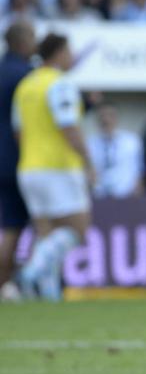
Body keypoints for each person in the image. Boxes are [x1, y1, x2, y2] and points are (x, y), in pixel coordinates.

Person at [12, 34, 94, 301]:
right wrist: (86, 161)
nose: (72, 57)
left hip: (29, 167)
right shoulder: (59, 84)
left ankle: (49, 296)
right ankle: (31, 271)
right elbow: (67, 125)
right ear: (57, 53)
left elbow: (18, 131)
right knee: (78, 231)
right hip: (58, 167)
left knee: (46, 233)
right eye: (69, 51)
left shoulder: (25, 86)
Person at [0, 21, 35, 301]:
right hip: (20, 160)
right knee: (24, 225)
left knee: (8, 224)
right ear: (22, 41)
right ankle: (24, 282)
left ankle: (6, 284)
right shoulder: (26, 75)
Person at [87, 102, 144, 198]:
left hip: (126, 196)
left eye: (110, 115)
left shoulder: (131, 141)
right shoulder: (89, 144)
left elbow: (140, 170)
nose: (106, 120)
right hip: (99, 197)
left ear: (117, 118)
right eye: (102, 116)